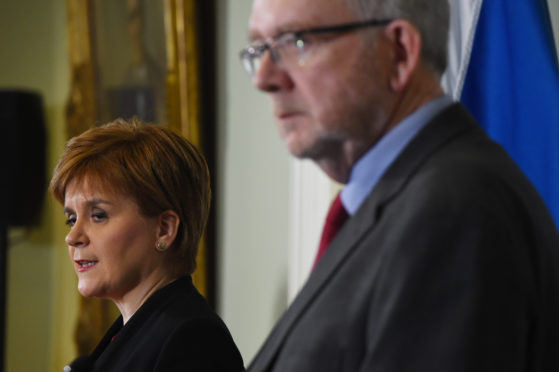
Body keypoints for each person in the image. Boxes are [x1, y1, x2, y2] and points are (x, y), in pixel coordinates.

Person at [240, 0, 559, 370]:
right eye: (258, 48)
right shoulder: (401, 204)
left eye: (296, 42)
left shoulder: (452, 215)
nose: (264, 78)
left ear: (399, 51)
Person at [50, 119, 244, 372]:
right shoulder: (130, 332)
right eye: (71, 219)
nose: (72, 237)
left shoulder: (192, 339)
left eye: (98, 215)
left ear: (164, 229)